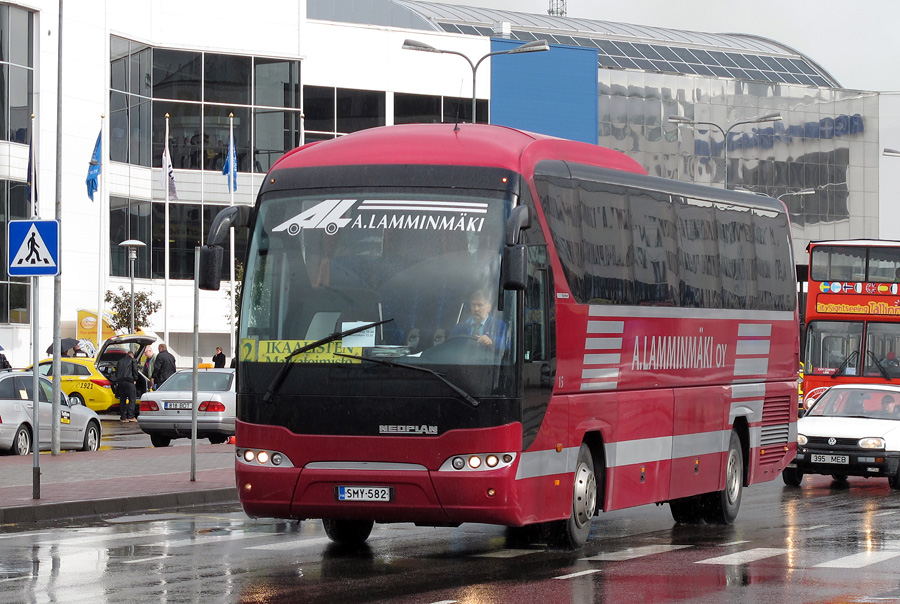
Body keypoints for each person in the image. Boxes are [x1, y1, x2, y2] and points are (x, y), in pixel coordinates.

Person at [115, 351, 139, 422]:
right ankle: (131, 416)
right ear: (132, 355)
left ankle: (123, 417)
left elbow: (116, 372)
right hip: (129, 381)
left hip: (121, 382)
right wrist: (135, 379)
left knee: (123, 399)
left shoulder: (120, 361)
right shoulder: (133, 360)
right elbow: (135, 370)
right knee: (132, 399)